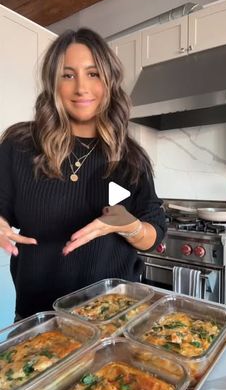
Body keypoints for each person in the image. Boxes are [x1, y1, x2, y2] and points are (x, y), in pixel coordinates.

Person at [0, 28, 166, 321]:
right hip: (40, 319)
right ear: (53, 83)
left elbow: (154, 232)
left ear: (109, 81)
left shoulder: (131, 158)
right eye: (68, 75)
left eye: (93, 74)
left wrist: (130, 227)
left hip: (115, 318)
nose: (81, 88)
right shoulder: (19, 145)